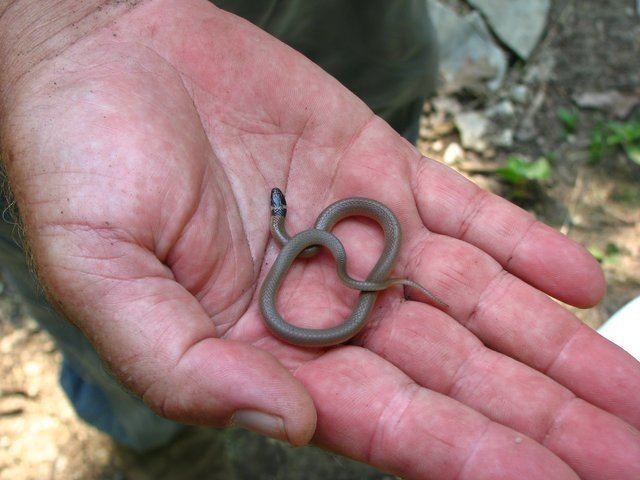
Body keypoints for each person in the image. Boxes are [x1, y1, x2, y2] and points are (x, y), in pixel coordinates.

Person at [0, 1, 638, 479]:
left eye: (279, 213)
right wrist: (59, 27)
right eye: (281, 213)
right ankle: (153, 444)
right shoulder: (308, 239)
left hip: (347, 20)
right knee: (124, 371)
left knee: (387, 84)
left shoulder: (316, 228)